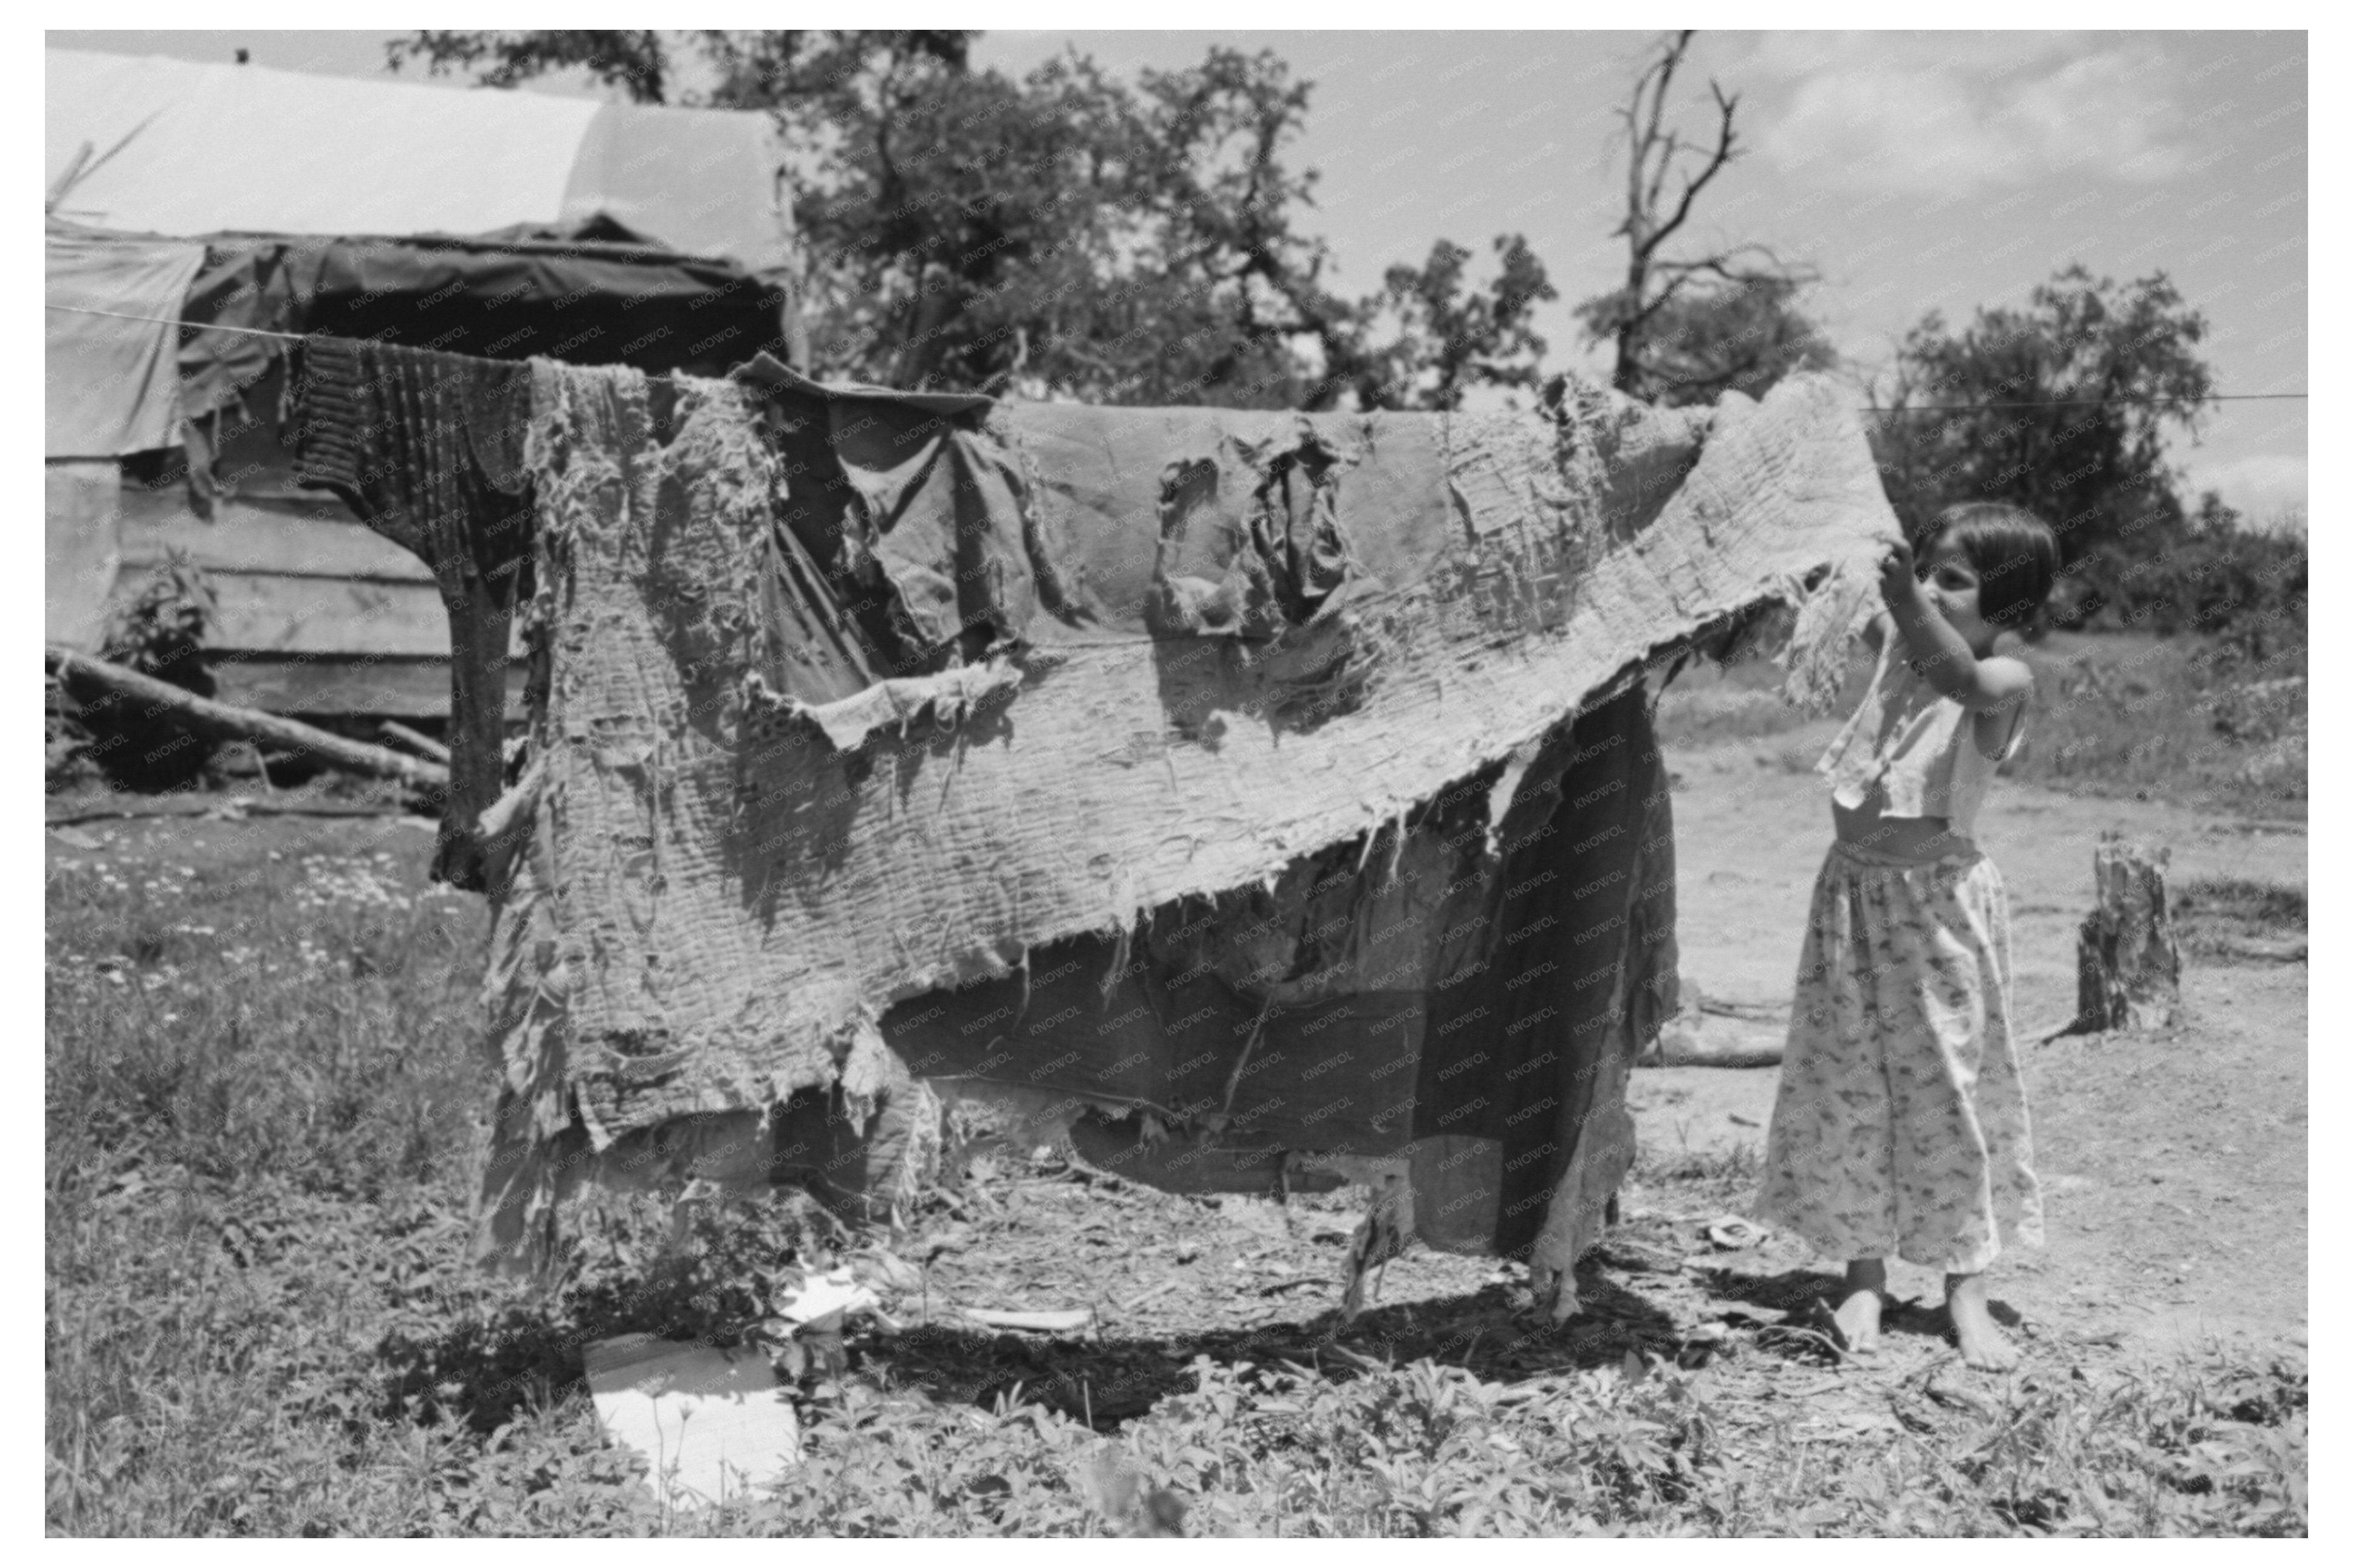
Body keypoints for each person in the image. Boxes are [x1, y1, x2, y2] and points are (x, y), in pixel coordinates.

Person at [1754, 502, 2061, 1371]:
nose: (1926, 588)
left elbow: (1958, 676)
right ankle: (1864, 1273)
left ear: (2010, 607)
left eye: (1952, 580)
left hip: (1934, 912)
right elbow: (1892, 632)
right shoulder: (1907, 649)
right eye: (1924, 570)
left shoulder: (2005, 680)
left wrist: (1903, 599)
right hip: (1851, 897)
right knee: (1850, 1079)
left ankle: (1966, 1283)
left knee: (1950, 1092)